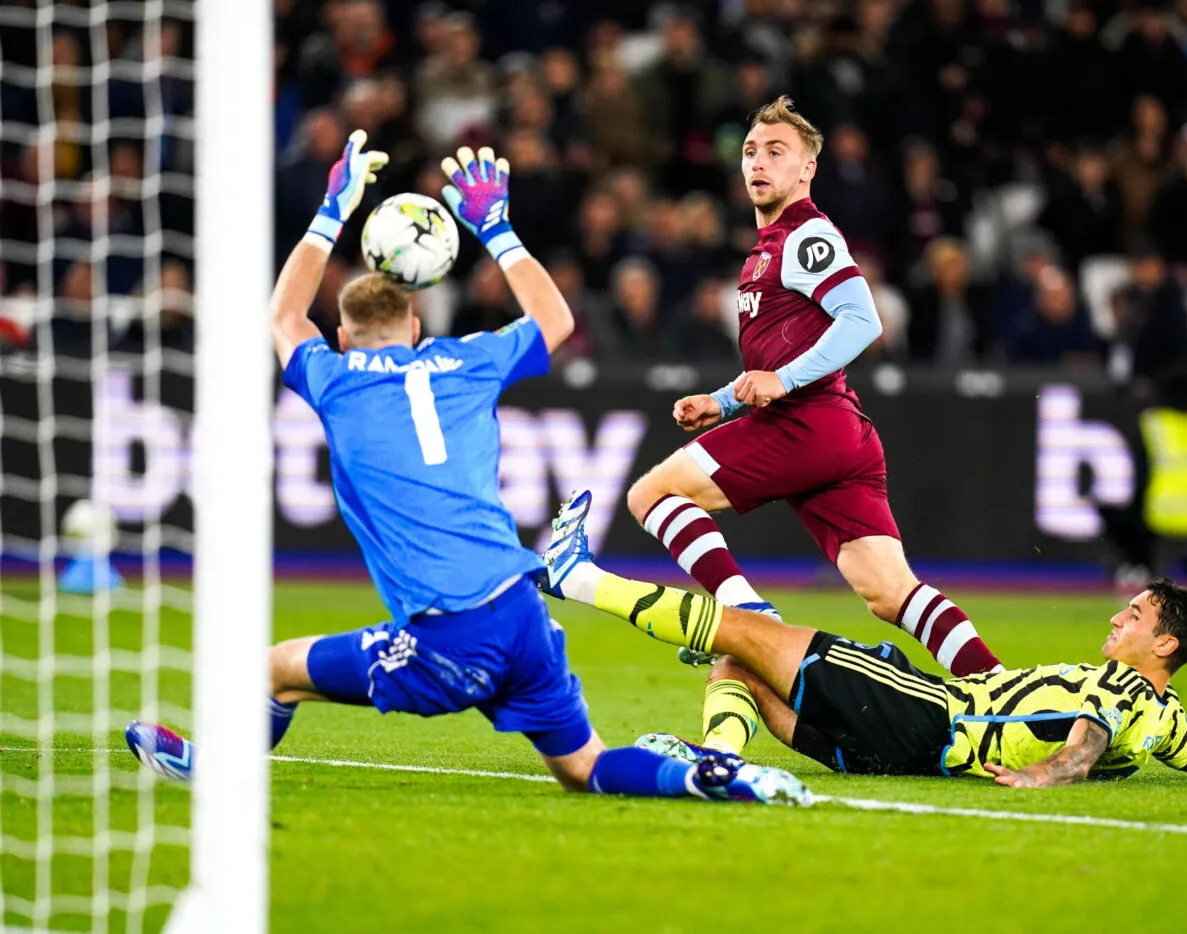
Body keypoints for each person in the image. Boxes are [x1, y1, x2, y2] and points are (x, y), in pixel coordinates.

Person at [125, 130, 810, 807]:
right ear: (417, 329)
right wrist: (496, 226)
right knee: (584, 767)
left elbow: (282, 316)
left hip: (450, 633)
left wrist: (332, 210)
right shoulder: (470, 361)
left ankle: (211, 771)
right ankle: (720, 776)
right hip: (521, 613)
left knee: (277, 670)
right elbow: (554, 317)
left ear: (340, 337)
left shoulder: (333, 379)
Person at [540, 492, 1187, 786]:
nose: (1116, 619)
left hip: (928, 713)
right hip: (908, 750)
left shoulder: (1124, 693)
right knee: (738, 662)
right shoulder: (1165, 721)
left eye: (1133, 616)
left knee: (750, 628)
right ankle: (724, 765)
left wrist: (1051, 777)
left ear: (1163, 645)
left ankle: (574, 576)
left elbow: (1090, 735)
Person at [624, 96, 1001, 705]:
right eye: (750, 151)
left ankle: (748, 617)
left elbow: (861, 321)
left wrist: (784, 381)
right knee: (890, 592)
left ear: (807, 169)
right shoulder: (765, 249)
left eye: (777, 152)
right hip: (838, 435)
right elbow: (776, 364)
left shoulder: (807, 235)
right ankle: (1006, 695)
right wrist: (724, 401)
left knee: (652, 494)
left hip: (808, 423)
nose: (759, 162)